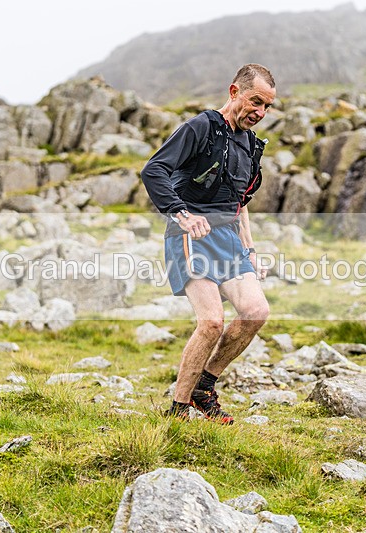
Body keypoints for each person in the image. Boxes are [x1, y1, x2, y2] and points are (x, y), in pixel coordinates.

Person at [140, 64, 276, 424]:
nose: (260, 113)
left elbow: (240, 201)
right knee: (212, 322)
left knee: (255, 312)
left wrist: (250, 247)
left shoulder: (250, 144)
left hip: (229, 239)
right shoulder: (201, 127)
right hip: (190, 235)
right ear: (234, 92)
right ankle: (178, 409)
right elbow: (153, 170)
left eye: (267, 107)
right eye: (255, 102)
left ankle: (205, 385)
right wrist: (181, 213)